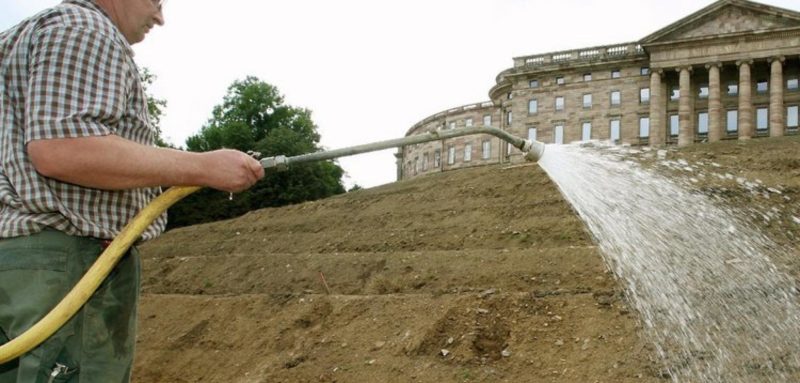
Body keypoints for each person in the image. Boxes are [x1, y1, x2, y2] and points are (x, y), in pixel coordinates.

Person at [0, 0, 265, 381]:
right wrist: (204, 166)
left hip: (15, 264)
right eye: (156, 2)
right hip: (69, 262)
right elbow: (61, 149)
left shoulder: (20, 38)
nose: (160, 17)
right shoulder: (85, 29)